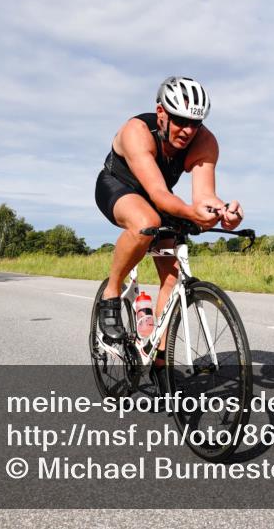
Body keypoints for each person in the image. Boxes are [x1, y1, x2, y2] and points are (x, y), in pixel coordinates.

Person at [94, 77, 243, 361]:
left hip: (159, 196)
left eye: (195, 123)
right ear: (161, 112)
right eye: (180, 120)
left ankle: (160, 363)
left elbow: (204, 196)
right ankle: (111, 293)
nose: (188, 130)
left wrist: (223, 212)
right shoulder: (136, 131)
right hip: (118, 186)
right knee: (144, 222)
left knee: (173, 278)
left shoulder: (206, 141)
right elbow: (160, 195)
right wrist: (189, 213)